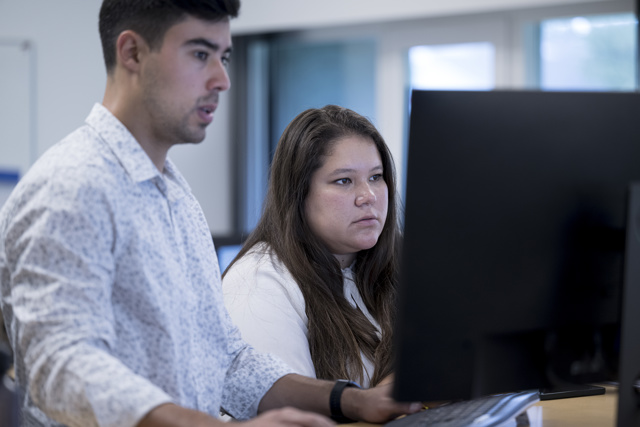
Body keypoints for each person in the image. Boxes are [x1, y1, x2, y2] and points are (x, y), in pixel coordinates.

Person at [0, 1, 422, 427]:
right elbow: (58, 368)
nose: (222, 80)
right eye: (200, 55)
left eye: (224, 57)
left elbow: (227, 359)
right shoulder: (70, 187)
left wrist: (353, 401)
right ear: (132, 54)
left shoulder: (175, 196)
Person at [222, 105, 400, 389]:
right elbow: (291, 416)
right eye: (344, 181)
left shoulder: (392, 265)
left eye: (376, 177)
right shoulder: (259, 282)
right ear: (298, 193)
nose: (368, 196)